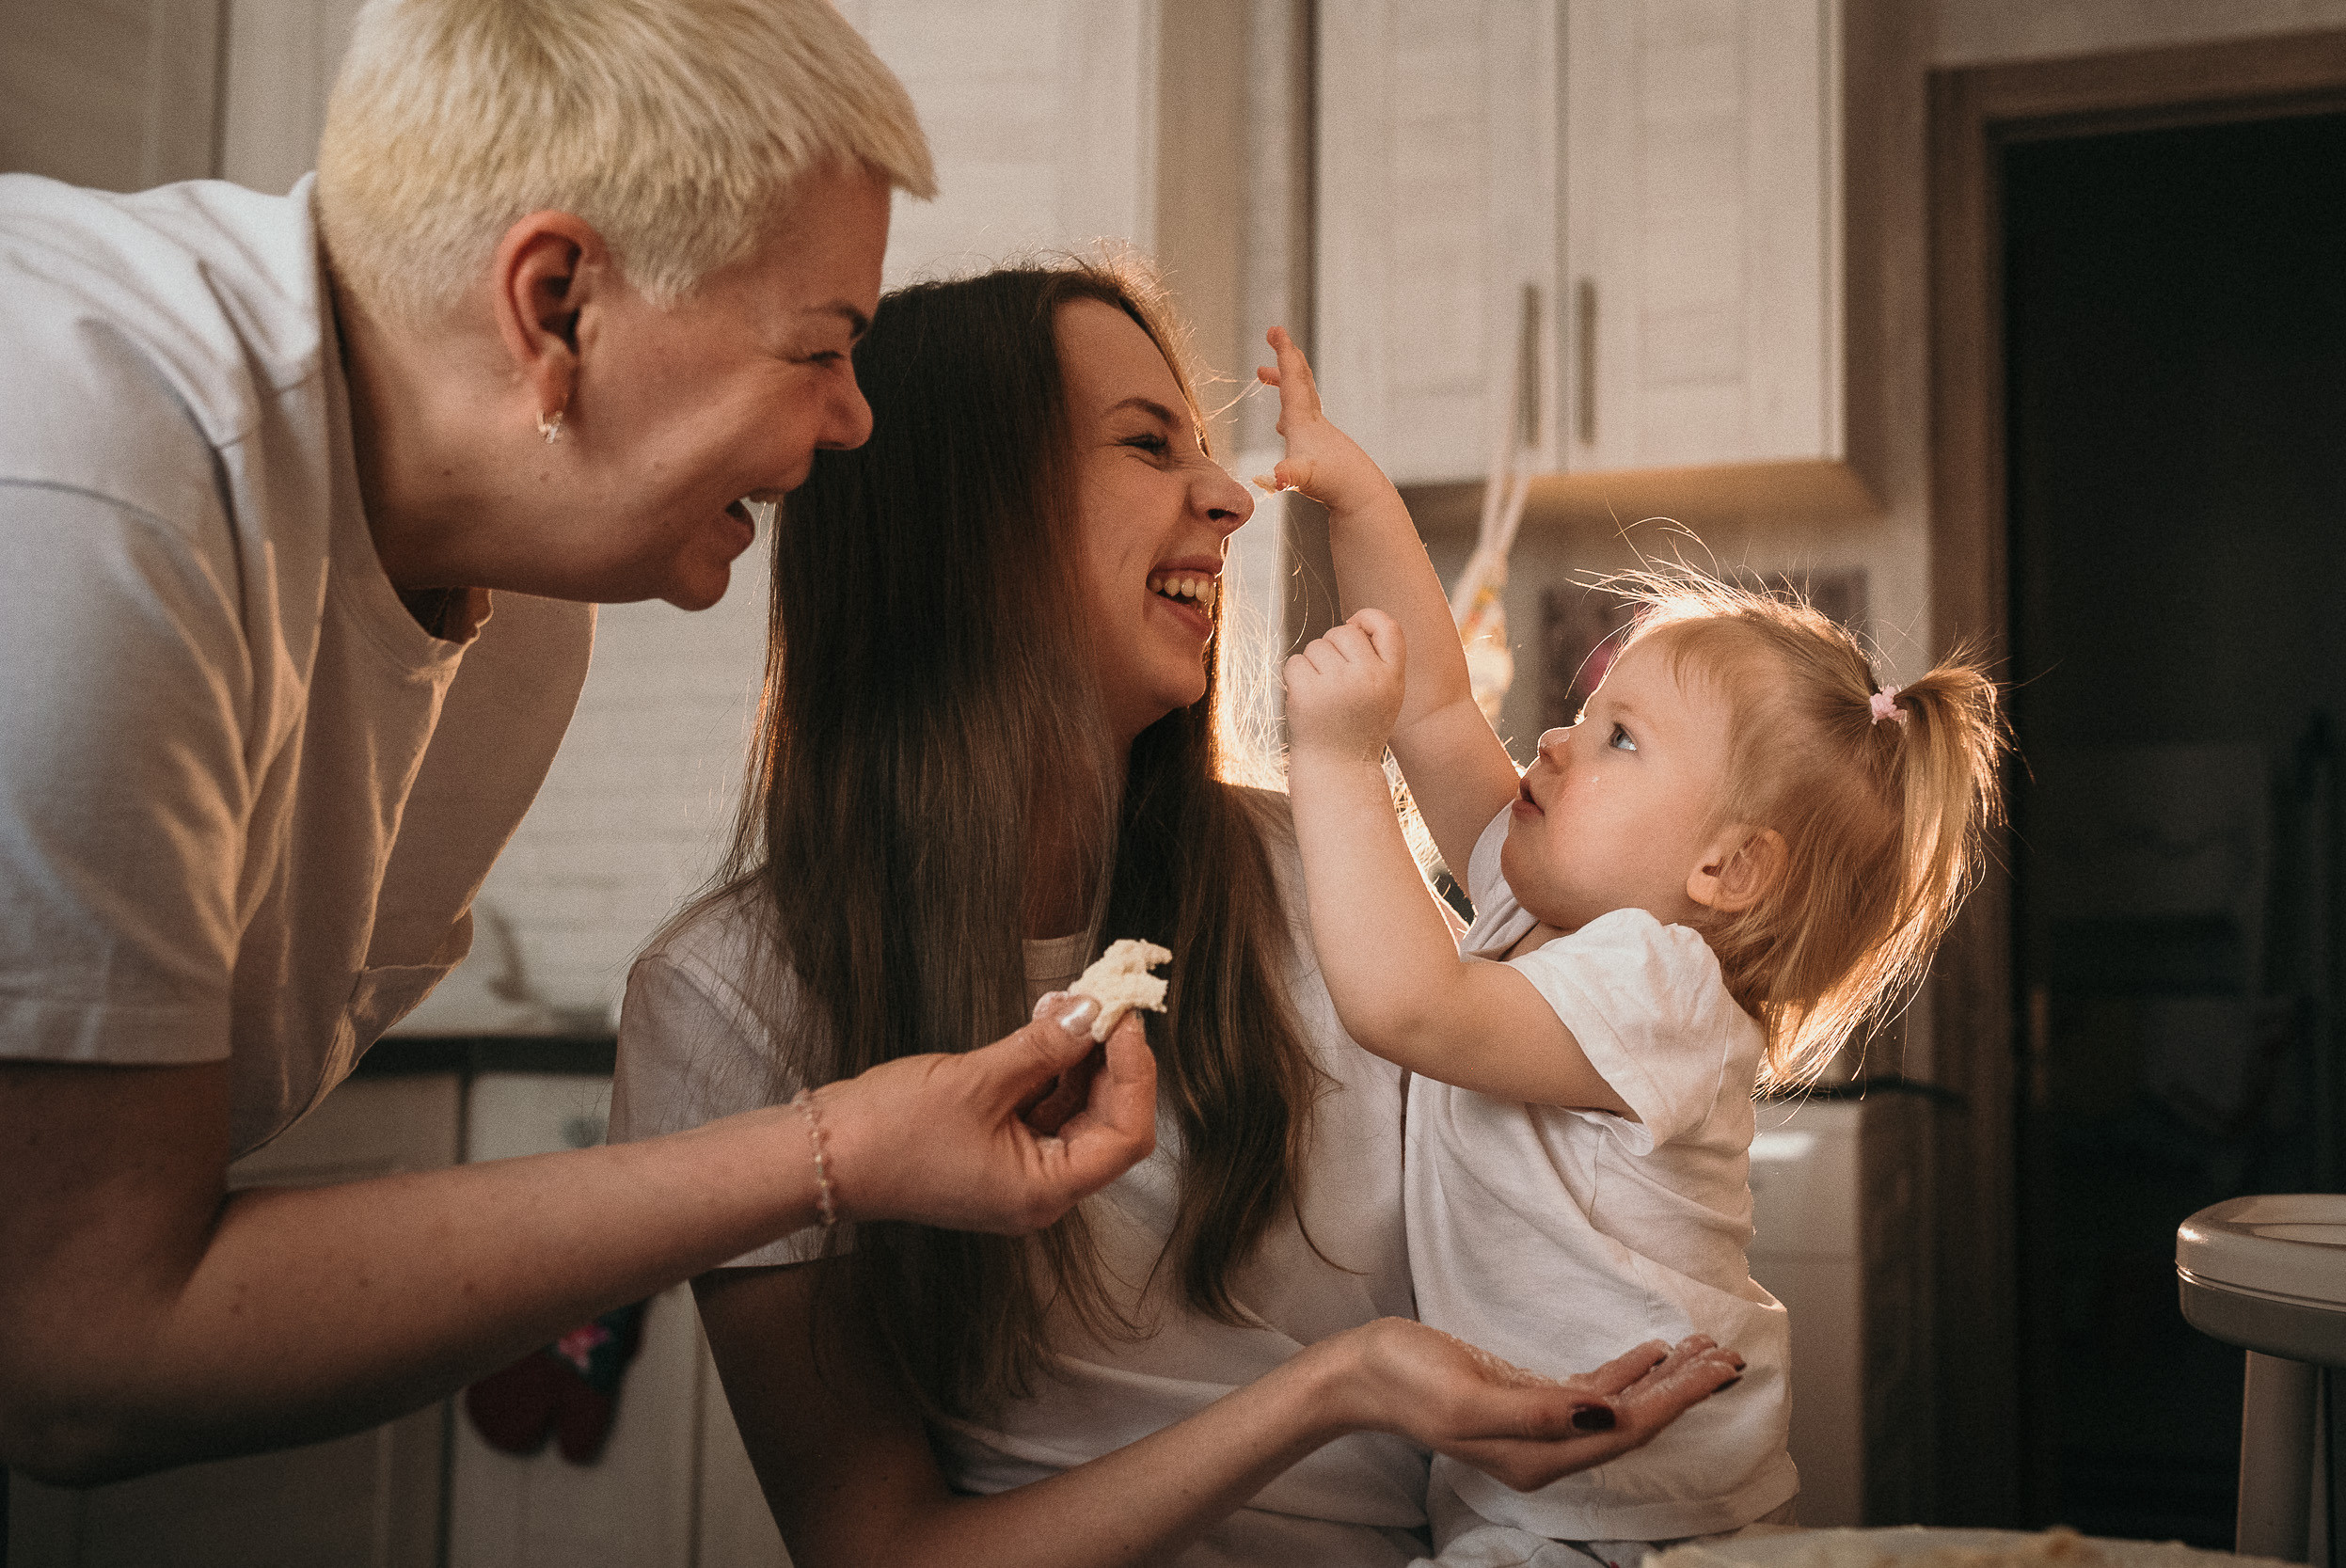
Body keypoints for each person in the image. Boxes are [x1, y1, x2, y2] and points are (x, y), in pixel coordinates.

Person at [0, 0, 1158, 1487]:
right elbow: (78, 1354)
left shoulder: (524, 628)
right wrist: (830, 1155)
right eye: (820, 348)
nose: (857, 422)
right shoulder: (93, 497)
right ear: (555, 308)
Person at [610, 260, 1749, 1568]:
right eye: (1149, 446)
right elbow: (879, 1552)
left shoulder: (1319, 875)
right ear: (968, 525)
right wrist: (1334, 1390)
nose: (1229, 497)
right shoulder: (728, 1002)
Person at [1264, 326, 2005, 1563]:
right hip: (1552, 1495)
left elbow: (1408, 1007)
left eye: (1619, 739)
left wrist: (1332, 754)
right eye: (1585, 712)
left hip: (1624, 1517)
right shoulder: (1544, 912)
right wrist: (1354, 491)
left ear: (1726, 868)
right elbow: (1437, 706)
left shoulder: (1661, 986)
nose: (1555, 738)